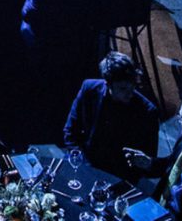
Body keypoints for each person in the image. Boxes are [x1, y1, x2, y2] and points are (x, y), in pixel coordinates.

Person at [20, 0, 97, 106]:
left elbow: (27, 14)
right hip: (82, 36)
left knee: (23, 27)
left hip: (53, 42)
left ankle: (27, 65)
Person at [63, 53, 160, 182]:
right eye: (123, 88)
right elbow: (70, 131)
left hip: (118, 174)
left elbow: (147, 158)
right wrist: (82, 163)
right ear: (108, 84)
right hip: (84, 161)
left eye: (132, 86)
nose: (130, 93)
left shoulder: (147, 112)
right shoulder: (89, 89)